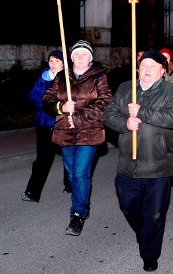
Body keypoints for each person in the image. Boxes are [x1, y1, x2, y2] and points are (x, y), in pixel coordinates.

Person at [103, 50, 173, 272]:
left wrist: (142, 112)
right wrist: (125, 123)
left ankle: (150, 254)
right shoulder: (126, 88)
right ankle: (145, 233)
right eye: (143, 65)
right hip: (127, 165)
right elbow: (108, 114)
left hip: (158, 165)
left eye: (152, 66)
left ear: (162, 71)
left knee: (155, 214)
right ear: (137, 69)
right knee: (128, 207)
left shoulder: (170, 90)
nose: (146, 69)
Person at [43, 40, 113, 236]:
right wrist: (62, 107)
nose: (80, 57)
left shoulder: (98, 77)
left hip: (89, 132)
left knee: (81, 173)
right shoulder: (61, 77)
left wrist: (79, 117)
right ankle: (84, 203)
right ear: (71, 58)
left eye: (84, 54)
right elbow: (47, 98)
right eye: (77, 54)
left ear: (90, 58)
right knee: (72, 174)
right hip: (64, 131)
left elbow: (105, 102)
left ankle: (77, 214)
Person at [22, 50, 70, 202]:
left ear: (63, 63)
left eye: (56, 60)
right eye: (51, 60)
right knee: (42, 159)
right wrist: (44, 105)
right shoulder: (43, 76)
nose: (53, 63)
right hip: (44, 122)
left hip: (62, 123)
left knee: (69, 156)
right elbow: (33, 94)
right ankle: (32, 192)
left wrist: (59, 107)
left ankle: (70, 185)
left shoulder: (69, 78)